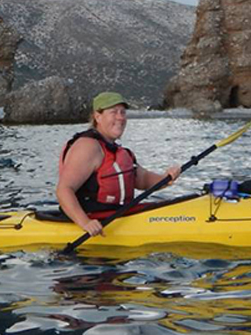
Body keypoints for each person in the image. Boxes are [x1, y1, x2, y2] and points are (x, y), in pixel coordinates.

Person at [55, 91, 181, 237]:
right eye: (113, 112)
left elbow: (143, 179)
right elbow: (64, 190)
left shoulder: (119, 151)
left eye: (123, 112)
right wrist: (85, 223)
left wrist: (167, 179)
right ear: (98, 116)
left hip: (118, 215)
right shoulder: (88, 146)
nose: (120, 117)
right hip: (95, 222)